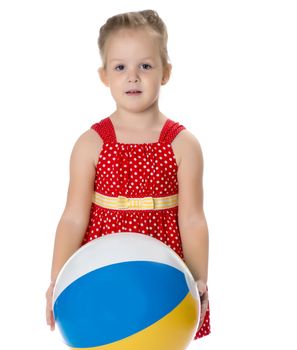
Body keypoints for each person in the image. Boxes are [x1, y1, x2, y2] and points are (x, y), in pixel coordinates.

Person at [45, 9, 211, 340]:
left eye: (145, 66)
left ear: (165, 73)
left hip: (163, 281)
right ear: (104, 75)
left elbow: (192, 219)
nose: (132, 77)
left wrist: (198, 278)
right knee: (105, 337)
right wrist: (57, 280)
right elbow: (73, 218)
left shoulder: (183, 145)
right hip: (101, 275)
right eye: (120, 67)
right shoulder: (90, 144)